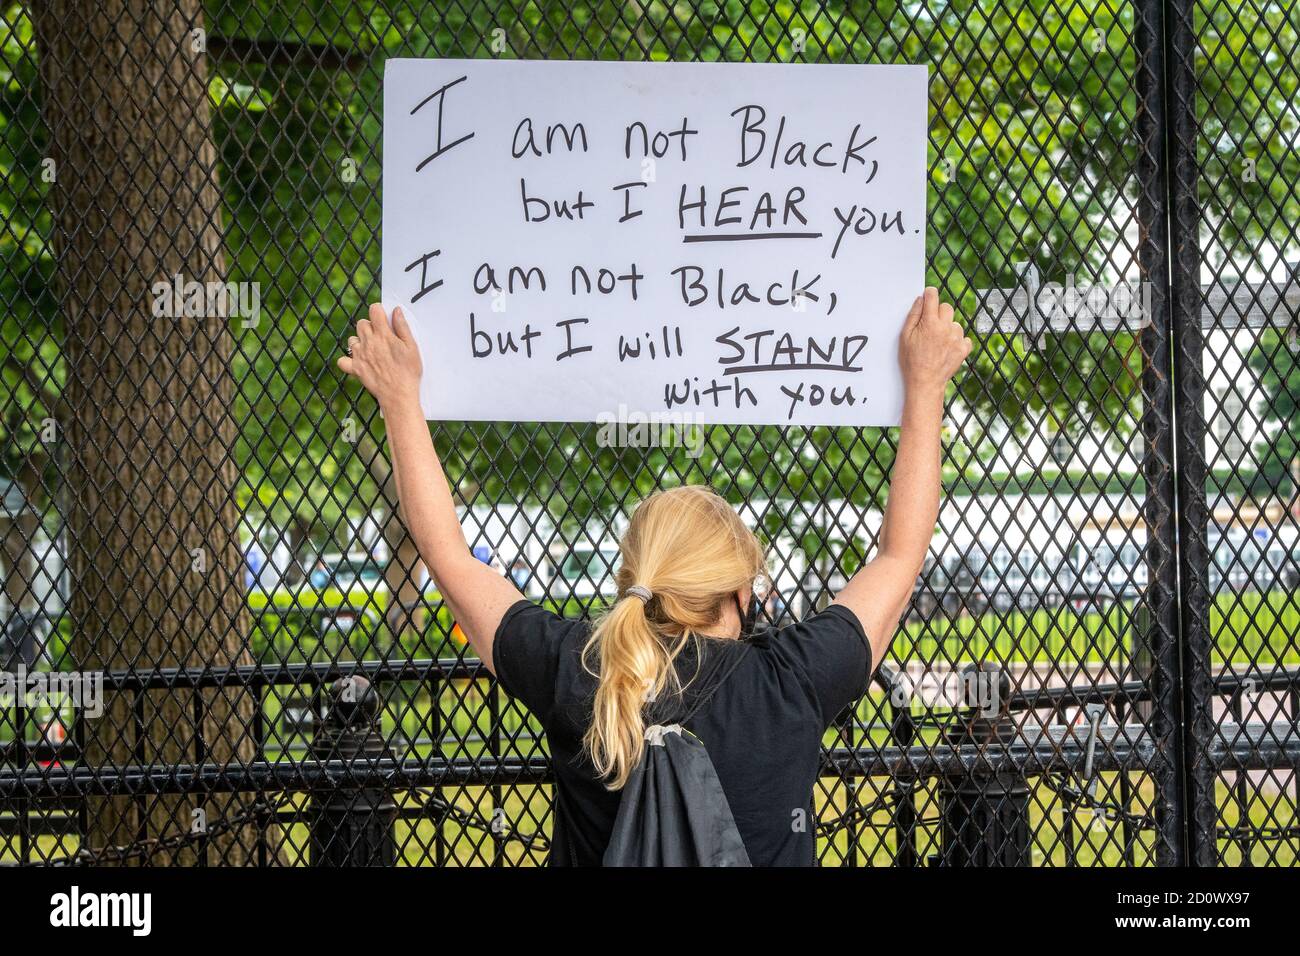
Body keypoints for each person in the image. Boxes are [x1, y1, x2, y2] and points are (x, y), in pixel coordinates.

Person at [338, 287, 970, 865]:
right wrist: (925, 388)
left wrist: (400, 401)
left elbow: (448, 556)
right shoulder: (790, 681)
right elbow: (899, 554)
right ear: (742, 591)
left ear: (632, 576)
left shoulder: (580, 670)